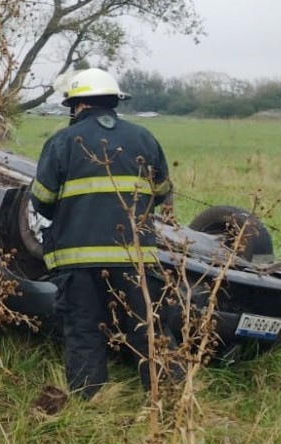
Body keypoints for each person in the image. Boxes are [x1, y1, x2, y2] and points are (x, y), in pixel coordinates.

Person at [30, 68, 177, 399]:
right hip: (134, 256)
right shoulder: (144, 138)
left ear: (77, 105)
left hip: (77, 261)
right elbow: (162, 190)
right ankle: (169, 403)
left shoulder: (62, 142)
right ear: (114, 102)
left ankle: (91, 402)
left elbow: (42, 201)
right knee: (149, 330)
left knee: (84, 330)